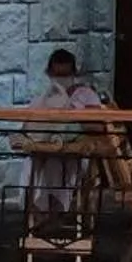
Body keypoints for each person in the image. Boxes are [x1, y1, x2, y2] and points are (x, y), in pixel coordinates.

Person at [28, 47, 106, 231]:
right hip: (48, 150)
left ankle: (55, 217)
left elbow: (98, 126)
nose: (61, 79)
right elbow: (29, 124)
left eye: (66, 74)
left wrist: (73, 113)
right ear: (49, 74)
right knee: (34, 165)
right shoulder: (45, 95)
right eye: (57, 75)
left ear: (74, 74)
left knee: (59, 166)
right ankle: (38, 218)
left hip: (78, 154)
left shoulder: (86, 95)